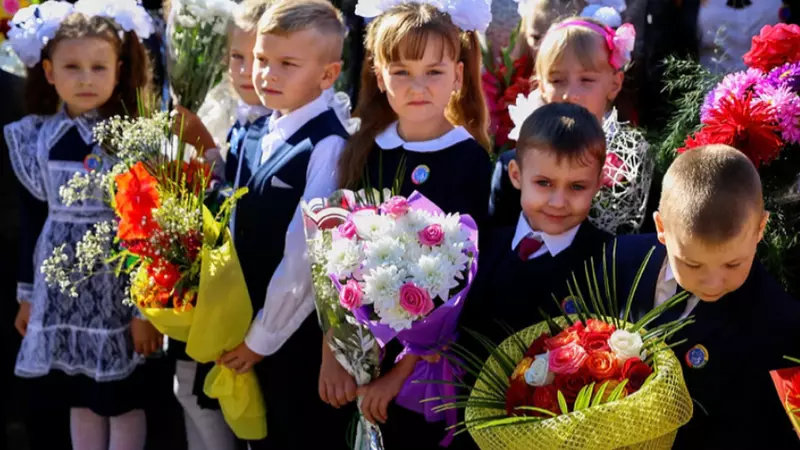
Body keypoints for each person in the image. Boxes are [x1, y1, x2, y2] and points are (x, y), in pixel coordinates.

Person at [323, 1, 493, 447]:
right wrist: (335, 352)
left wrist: (402, 372)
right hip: (361, 356)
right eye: (401, 72)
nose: (418, 86)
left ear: (457, 75)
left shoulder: (470, 160)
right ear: (379, 77)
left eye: (433, 72)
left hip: (427, 370)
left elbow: (463, 286)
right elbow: (338, 261)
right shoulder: (364, 151)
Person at [5, 1, 160, 449]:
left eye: (98, 67)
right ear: (50, 72)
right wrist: (29, 296)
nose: (86, 79)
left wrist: (142, 310)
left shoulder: (132, 138)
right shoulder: (36, 138)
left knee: (121, 397)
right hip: (62, 290)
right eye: (73, 67)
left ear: (119, 70)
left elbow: (145, 229)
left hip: (116, 286)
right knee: (80, 395)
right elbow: (33, 219)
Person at [216, 0, 358, 448]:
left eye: (286, 64)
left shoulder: (328, 146)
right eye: (261, 59)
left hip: (292, 340)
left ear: (327, 75)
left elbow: (305, 256)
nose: (266, 75)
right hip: (253, 328)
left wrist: (263, 337)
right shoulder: (265, 129)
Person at [612, 144, 800, 449]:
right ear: (661, 227)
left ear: (760, 228)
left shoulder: (776, 321)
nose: (713, 282)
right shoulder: (619, 261)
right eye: (692, 264)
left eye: (732, 264)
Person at [169, 1, 275, 449]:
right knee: (189, 394)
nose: (248, 71)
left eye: (261, 60)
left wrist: (205, 149)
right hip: (208, 293)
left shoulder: (278, 124)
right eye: (237, 57)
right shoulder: (235, 115)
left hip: (250, 307)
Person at [462, 102, 613, 345]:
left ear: (598, 183)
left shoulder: (608, 261)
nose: (558, 202)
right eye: (544, 183)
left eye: (577, 186)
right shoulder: (481, 248)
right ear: (516, 175)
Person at [491, 15, 652, 237]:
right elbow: (497, 241)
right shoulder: (515, 162)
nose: (570, 95)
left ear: (615, 84)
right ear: (541, 86)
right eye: (557, 81)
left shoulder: (633, 162)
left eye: (586, 80)